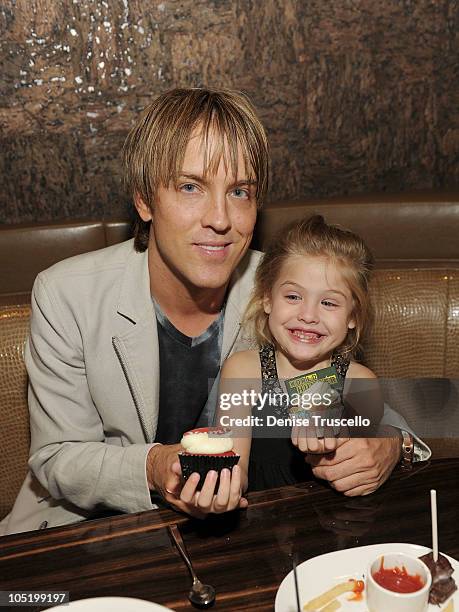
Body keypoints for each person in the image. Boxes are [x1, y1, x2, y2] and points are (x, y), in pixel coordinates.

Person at [0, 87, 429, 536]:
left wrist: (390, 445)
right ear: (145, 200)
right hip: (90, 532)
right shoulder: (66, 294)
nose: (221, 218)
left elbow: (354, 389)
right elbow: (57, 457)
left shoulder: (285, 290)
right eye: (191, 187)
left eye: (240, 191)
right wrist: (154, 466)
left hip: (243, 535)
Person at [218, 215, 425, 494]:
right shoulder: (242, 370)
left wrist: (337, 429)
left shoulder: (360, 380)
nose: (308, 315)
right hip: (261, 522)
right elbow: (234, 469)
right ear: (267, 299)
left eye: (328, 302)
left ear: (353, 316)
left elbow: (366, 460)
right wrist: (218, 489)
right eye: (293, 297)